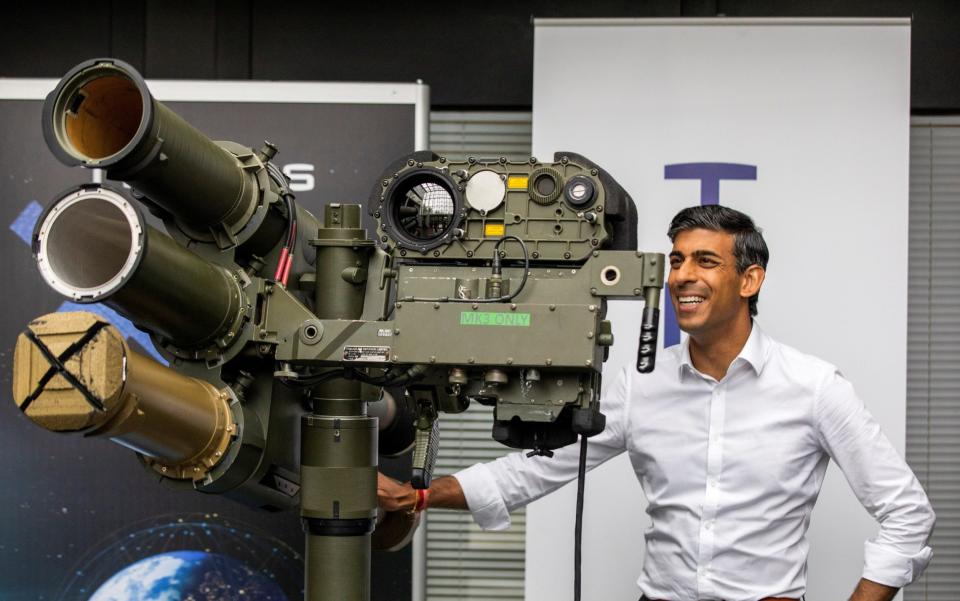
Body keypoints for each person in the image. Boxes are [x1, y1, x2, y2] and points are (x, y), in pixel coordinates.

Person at [378, 205, 935, 601]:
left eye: (705, 262)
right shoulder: (643, 383)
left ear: (750, 279)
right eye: (676, 260)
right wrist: (419, 496)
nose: (682, 277)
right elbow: (539, 468)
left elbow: (908, 514)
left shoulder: (814, 387)